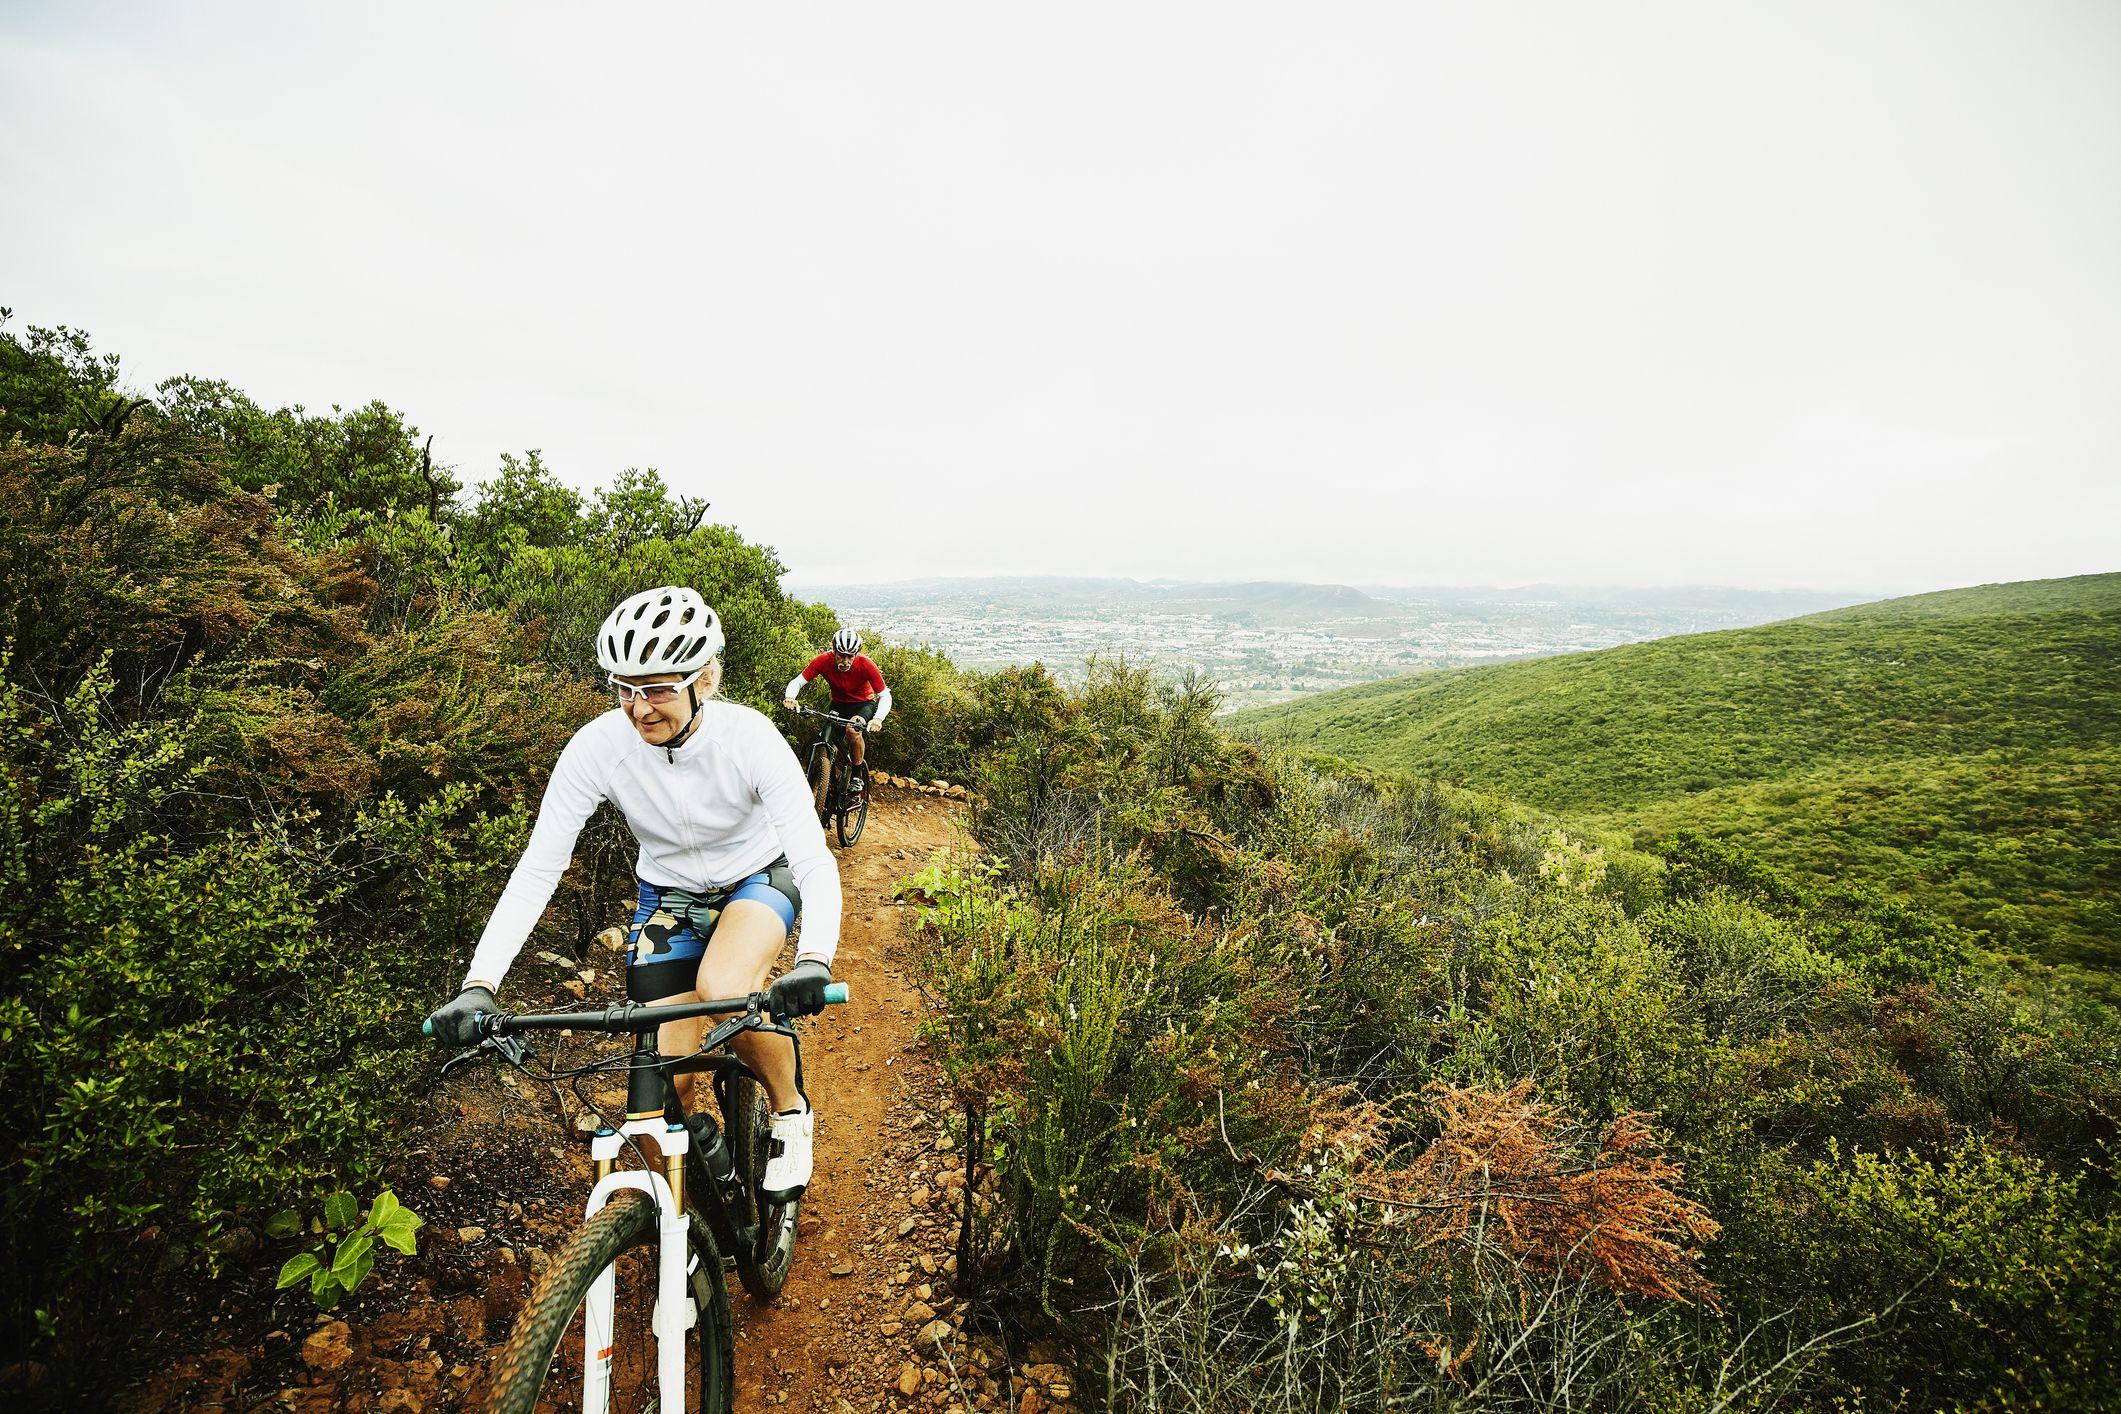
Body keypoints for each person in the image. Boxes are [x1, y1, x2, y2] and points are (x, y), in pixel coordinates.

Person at [424, 586, 839, 1199]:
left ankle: (790, 1112)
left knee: (726, 991)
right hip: (667, 897)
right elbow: (539, 868)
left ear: (706, 679)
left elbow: (810, 856)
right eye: (625, 688)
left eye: (660, 688)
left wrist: (814, 960)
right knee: (657, 1089)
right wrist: (478, 984)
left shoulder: (750, 739)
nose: (641, 709)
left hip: (756, 878)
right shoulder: (598, 748)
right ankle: (683, 1225)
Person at [782, 628, 892, 798]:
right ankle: (825, 780)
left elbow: (885, 695)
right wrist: (790, 697)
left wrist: (878, 718)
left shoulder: (866, 664)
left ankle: (856, 776)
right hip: (839, 704)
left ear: (856, 654)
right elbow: (797, 682)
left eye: (850, 656)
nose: (845, 661)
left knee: (852, 730)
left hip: (863, 704)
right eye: (841, 655)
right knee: (825, 738)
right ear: (833, 650)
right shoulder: (823, 660)